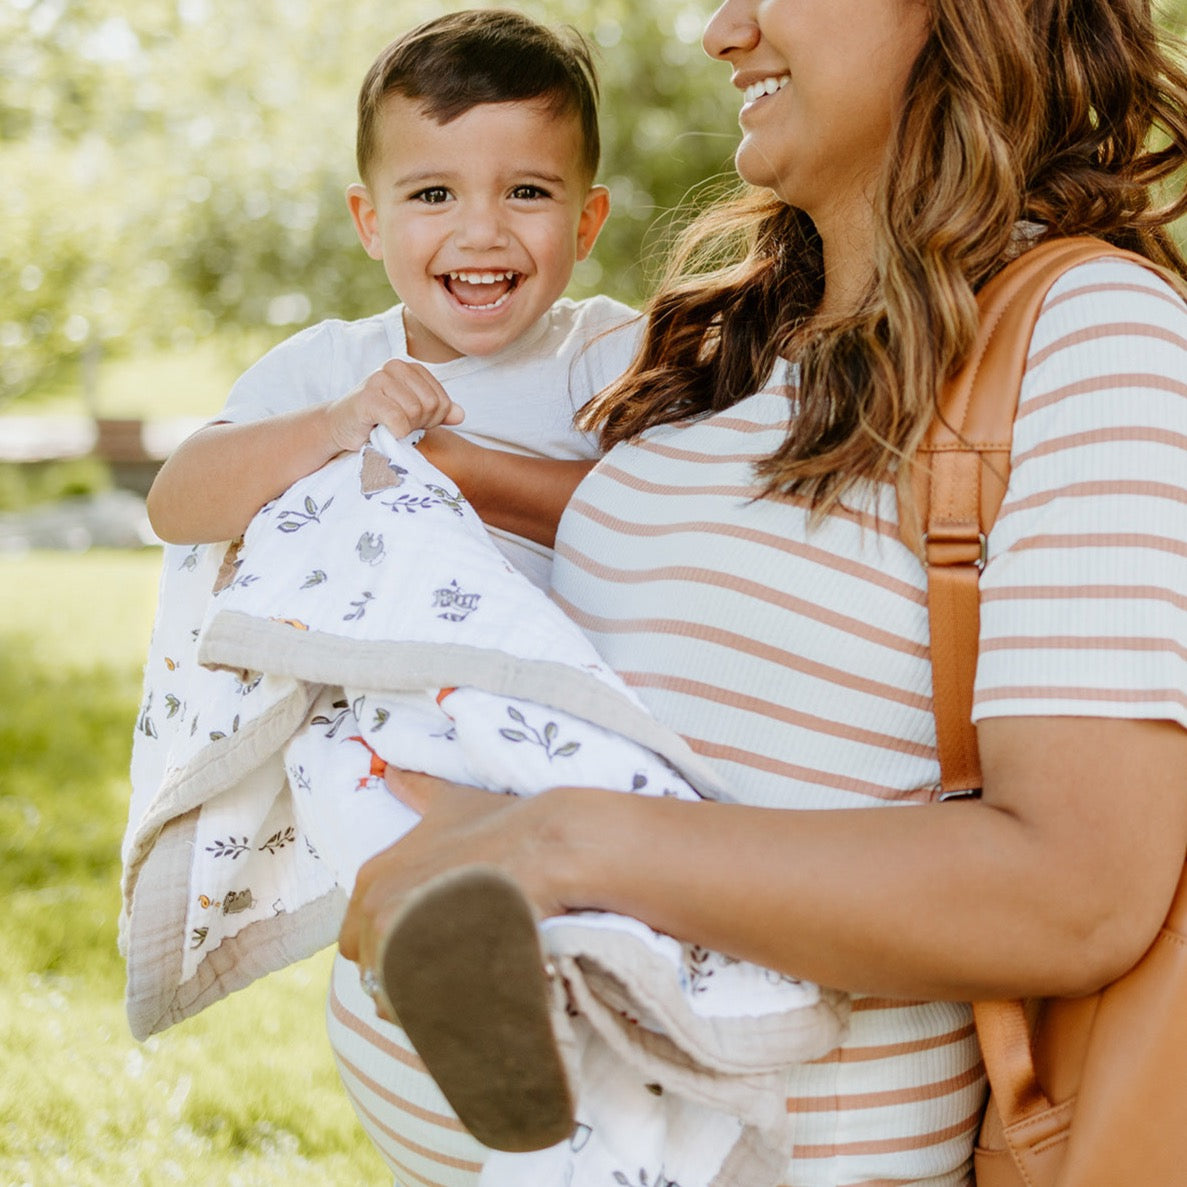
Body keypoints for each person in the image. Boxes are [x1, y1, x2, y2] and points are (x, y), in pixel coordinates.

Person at [333, 0, 1187, 1184]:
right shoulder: (742, 338)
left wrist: (557, 841)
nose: (719, 29)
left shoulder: (1090, 334)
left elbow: (1076, 887)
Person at [145, 8, 632, 592]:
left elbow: (669, 517)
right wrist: (331, 428)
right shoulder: (335, 368)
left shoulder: (609, 354)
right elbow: (174, 506)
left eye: (526, 192)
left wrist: (456, 469)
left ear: (586, 222)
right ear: (370, 223)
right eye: (434, 194)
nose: (480, 232)